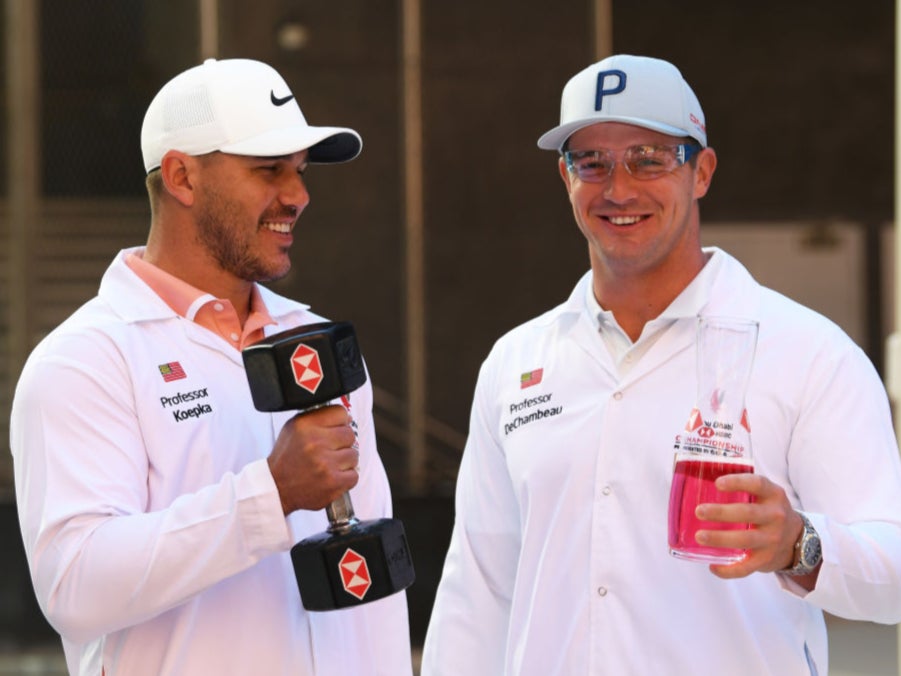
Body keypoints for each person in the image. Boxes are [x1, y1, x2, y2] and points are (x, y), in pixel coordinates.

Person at [421, 54, 901, 675]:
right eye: (591, 161)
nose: (618, 189)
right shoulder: (518, 361)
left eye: (649, 158)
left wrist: (799, 545)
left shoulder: (808, 351)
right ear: (563, 177)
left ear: (701, 171)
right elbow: (478, 593)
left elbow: (892, 576)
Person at [10, 58, 412, 675]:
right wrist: (269, 494)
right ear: (182, 176)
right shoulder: (84, 359)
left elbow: (371, 596)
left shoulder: (315, 342)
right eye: (269, 169)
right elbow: (75, 585)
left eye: (300, 172)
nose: (298, 196)